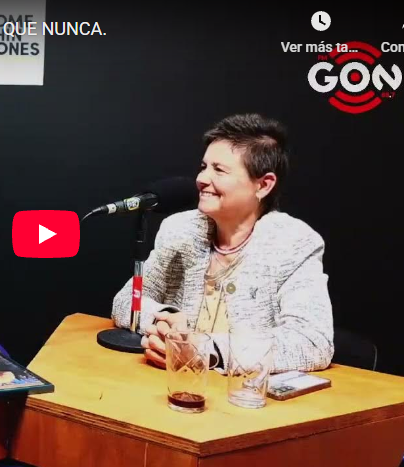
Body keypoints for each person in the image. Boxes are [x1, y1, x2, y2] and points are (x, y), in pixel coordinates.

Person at [111, 113, 333, 373]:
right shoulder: (180, 230)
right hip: (172, 385)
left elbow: (312, 342)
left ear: (263, 185)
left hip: (242, 392)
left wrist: (206, 350)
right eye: (203, 166)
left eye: (219, 170)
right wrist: (166, 323)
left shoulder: (293, 243)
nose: (202, 179)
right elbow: (126, 301)